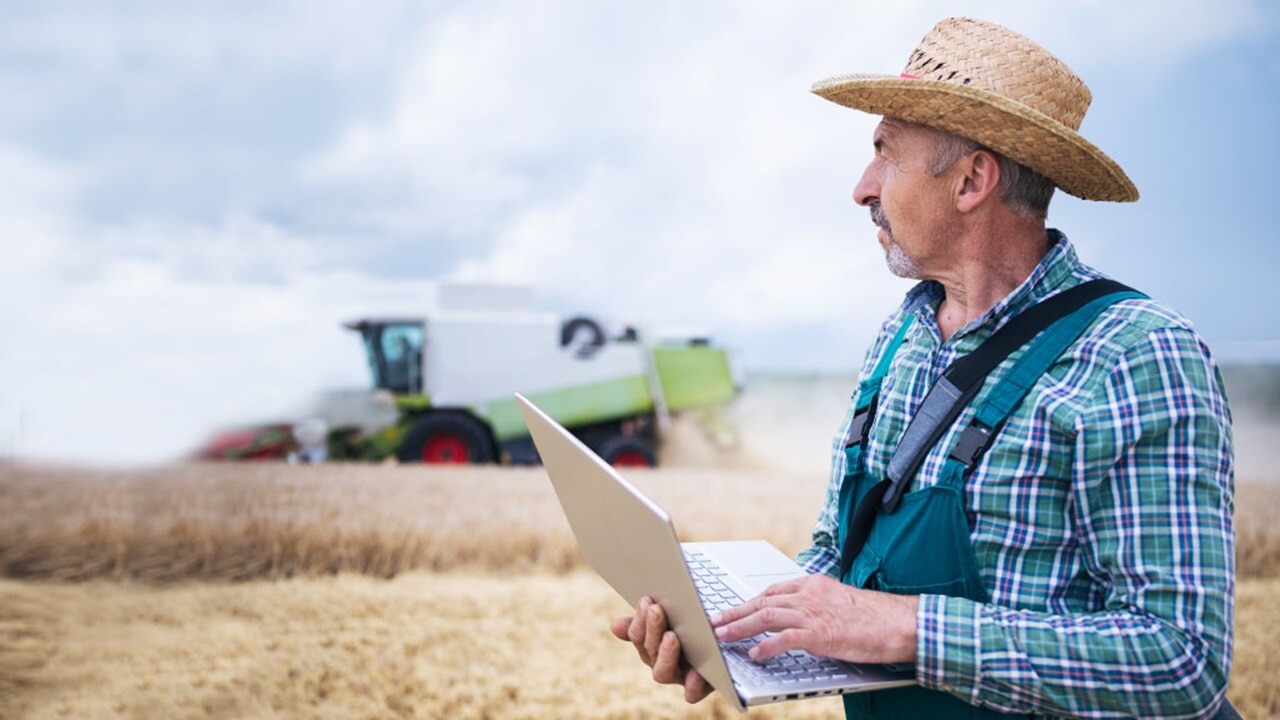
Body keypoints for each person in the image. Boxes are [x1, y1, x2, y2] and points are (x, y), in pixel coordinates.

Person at [610, 17, 1236, 719]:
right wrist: (737, 634)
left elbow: (1183, 658)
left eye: (885, 153)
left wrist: (906, 627)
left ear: (972, 180)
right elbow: (843, 551)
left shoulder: (1137, 354)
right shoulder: (903, 335)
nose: (861, 187)